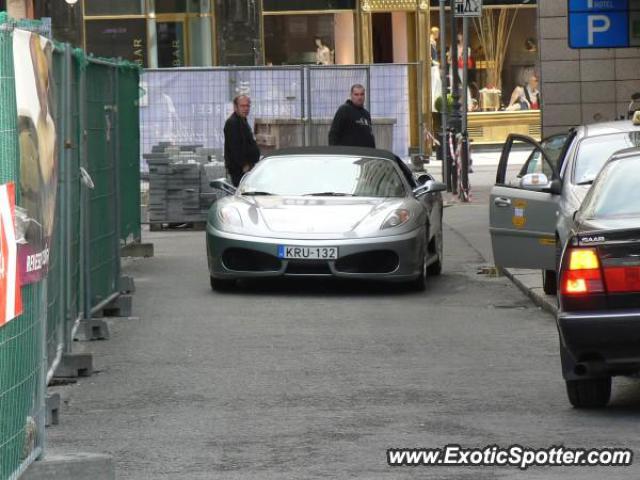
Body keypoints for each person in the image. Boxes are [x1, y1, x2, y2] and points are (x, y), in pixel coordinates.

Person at [223, 95, 260, 186]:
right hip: (240, 170)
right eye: (242, 106)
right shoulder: (232, 123)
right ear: (235, 107)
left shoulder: (242, 120)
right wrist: (244, 165)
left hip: (247, 168)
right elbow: (234, 148)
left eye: (247, 106)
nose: (246, 108)